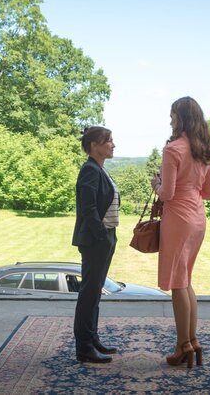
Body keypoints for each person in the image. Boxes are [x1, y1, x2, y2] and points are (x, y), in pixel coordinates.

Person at [150, 96, 210, 368]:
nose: (170, 120)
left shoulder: (173, 149)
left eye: (173, 115)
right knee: (186, 279)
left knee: (178, 282)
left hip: (178, 218)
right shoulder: (207, 149)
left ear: (182, 118)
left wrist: (157, 183)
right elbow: (209, 193)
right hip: (198, 218)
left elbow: (166, 193)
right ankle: (193, 341)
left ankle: (183, 346)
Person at [71, 126, 120, 363]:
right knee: (89, 293)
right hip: (96, 240)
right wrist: (101, 235)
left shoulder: (99, 169)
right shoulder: (90, 170)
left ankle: (92, 339)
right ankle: (84, 348)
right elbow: (88, 208)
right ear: (94, 145)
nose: (113, 144)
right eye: (108, 141)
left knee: (94, 292)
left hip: (106, 237)